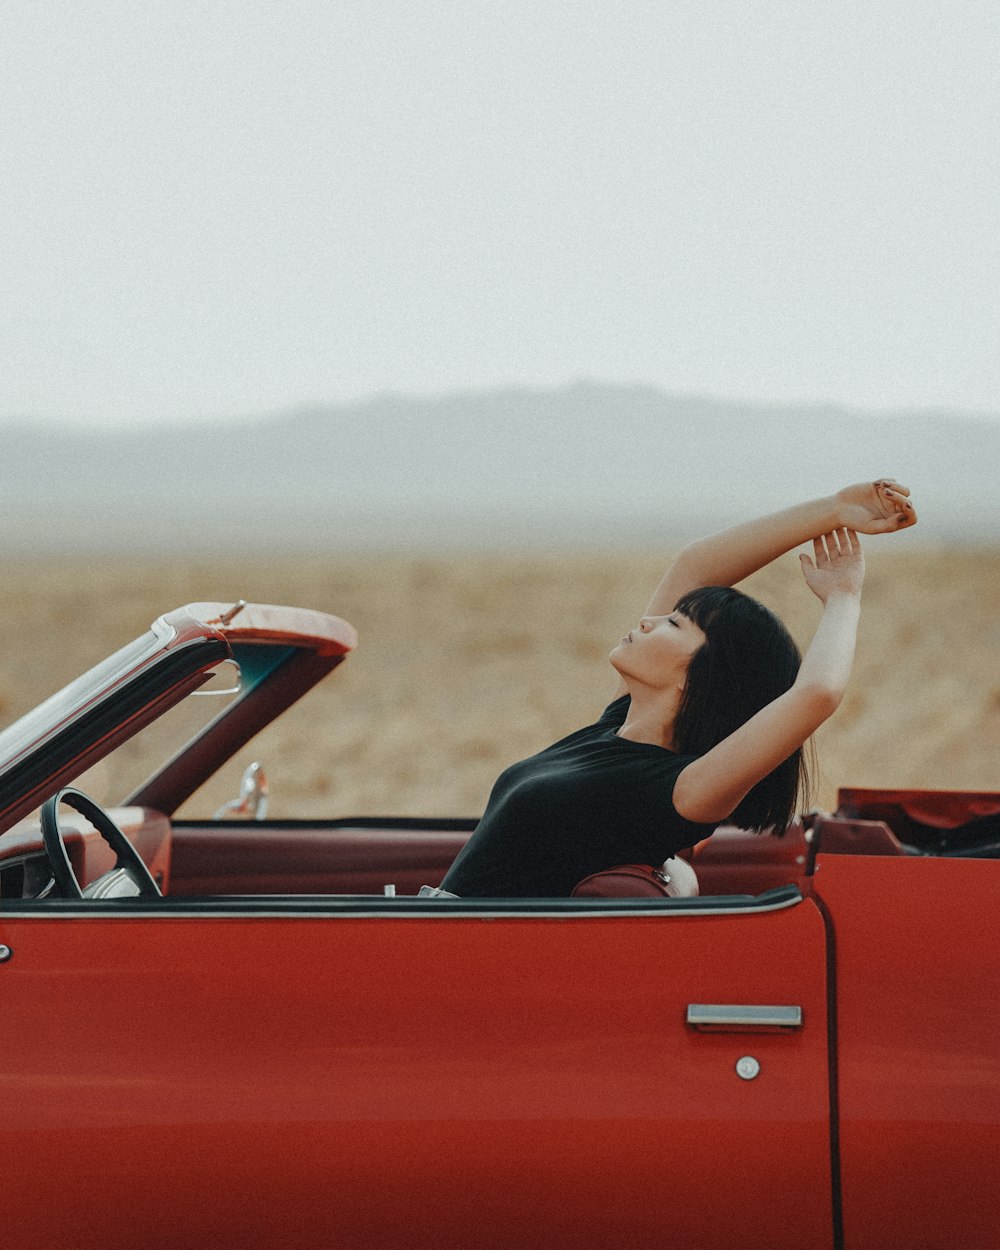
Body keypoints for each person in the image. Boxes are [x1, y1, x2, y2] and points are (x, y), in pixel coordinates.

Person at [438, 480, 917, 898]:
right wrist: (833, 510)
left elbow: (816, 695)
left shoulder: (681, 790)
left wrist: (844, 597)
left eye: (674, 623)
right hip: (440, 935)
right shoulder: (615, 728)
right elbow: (694, 565)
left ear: (707, 673)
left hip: (462, 955)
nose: (647, 620)